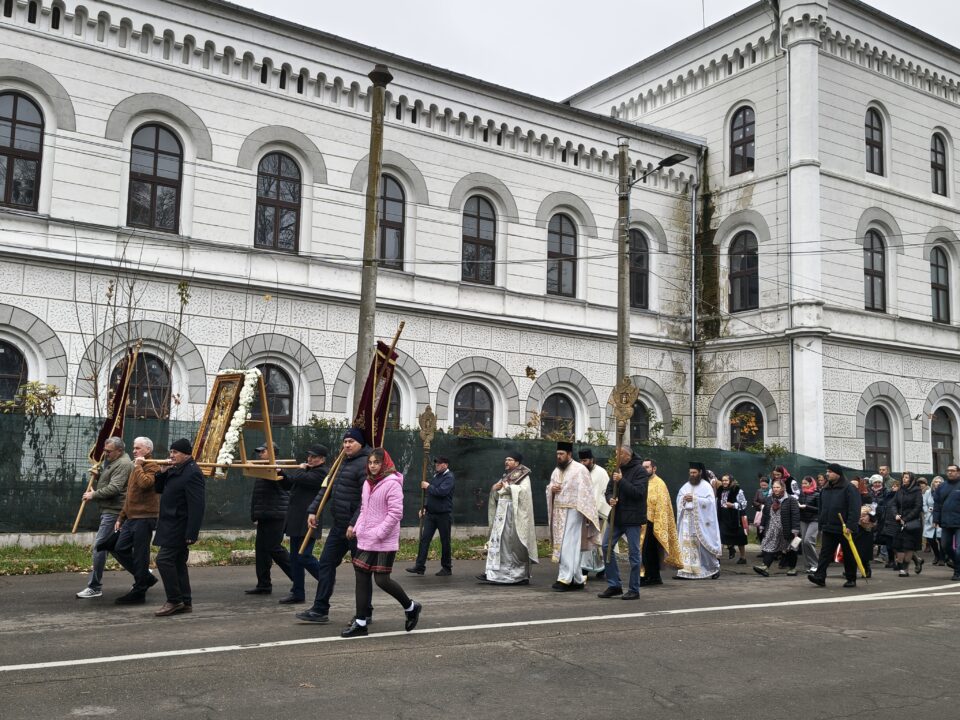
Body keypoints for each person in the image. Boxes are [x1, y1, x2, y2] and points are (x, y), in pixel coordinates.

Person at [340, 448, 421, 638]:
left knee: (382, 580)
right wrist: (358, 527)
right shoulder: (368, 483)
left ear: (384, 463)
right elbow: (364, 509)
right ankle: (360, 622)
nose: (373, 466)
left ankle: (410, 607)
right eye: (370, 463)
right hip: (366, 538)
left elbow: (395, 514)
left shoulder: (392, 483)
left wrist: (379, 533)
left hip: (384, 540)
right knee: (361, 576)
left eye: (376, 462)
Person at [296, 428, 371, 624]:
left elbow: (367, 500)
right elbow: (325, 489)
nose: (347, 445)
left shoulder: (365, 464)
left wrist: (355, 523)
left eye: (351, 441)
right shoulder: (340, 463)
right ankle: (320, 609)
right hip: (339, 527)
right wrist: (313, 510)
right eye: (345, 441)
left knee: (361, 571)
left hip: (356, 530)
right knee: (326, 564)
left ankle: (365, 612)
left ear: (360, 444)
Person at [153, 438, 205, 616]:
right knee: (177, 563)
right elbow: (158, 489)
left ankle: (174, 600)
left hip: (179, 525)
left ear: (186, 454)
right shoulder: (176, 469)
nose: (171, 455)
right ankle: (186, 602)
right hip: (169, 523)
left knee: (163, 560)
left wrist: (192, 532)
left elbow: (197, 506)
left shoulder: (192, 473)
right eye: (171, 452)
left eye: (175, 452)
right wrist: (161, 472)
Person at [76, 437, 133, 599]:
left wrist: (93, 494)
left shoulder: (123, 464)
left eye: (109, 451)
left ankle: (94, 587)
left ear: (119, 451)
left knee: (100, 547)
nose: (105, 454)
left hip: (114, 511)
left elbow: (115, 488)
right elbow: (112, 481)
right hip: (110, 509)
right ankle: (142, 573)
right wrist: (99, 473)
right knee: (114, 548)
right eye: (105, 450)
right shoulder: (115, 462)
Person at [277, 444, 328, 604]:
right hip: (295, 519)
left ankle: (326, 579)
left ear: (322, 459)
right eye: (309, 456)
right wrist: (281, 474)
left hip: (309, 520)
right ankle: (298, 592)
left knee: (304, 556)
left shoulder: (322, 473)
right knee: (294, 559)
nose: (310, 459)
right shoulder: (307, 471)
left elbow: (301, 478)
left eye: (314, 457)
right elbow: (290, 483)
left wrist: (300, 468)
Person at [546, 441, 600, 592]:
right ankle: (576, 579)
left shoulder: (580, 469)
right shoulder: (557, 470)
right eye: (557, 454)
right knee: (568, 546)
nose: (559, 457)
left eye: (561, 454)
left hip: (573, 512)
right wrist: (552, 489)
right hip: (559, 512)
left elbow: (587, 491)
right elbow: (550, 486)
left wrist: (587, 512)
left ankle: (564, 578)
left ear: (569, 454)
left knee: (567, 545)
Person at [112, 437, 160, 604]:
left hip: (145, 517)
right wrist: (121, 517)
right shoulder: (136, 466)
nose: (134, 451)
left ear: (147, 450)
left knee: (140, 555)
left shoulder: (153, 466)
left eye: (138, 448)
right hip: (132, 517)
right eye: (134, 448)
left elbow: (146, 484)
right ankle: (145, 578)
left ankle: (139, 591)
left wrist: (139, 465)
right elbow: (130, 495)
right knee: (120, 548)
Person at [479, 451, 538, 585]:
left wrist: (510, 488)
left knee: (513, 545)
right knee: (499, 544)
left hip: (514, 517)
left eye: (510, 459)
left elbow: (524, 493)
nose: (506, 462)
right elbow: (498, 495)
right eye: (506, 459)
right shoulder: (505, 477)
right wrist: (494, 488)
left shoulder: (524, 477)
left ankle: (516, 575)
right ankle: (494, 573)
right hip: (501, 516)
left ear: (517, 463)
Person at [597, 446, 648, 600]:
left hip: (632, 518)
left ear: (627, 455)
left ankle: (634, 589)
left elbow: (638, 493)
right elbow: (609, 490)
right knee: (606, 547)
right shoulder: (617, 469)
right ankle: (614, 585)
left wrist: (622, 480)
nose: (616, 457)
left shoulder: (640, 471)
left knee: (634, 553)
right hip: (617, 516)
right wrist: (609, 499)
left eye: (618, 454)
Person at [246, 443, 292, 595]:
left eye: (263, 451)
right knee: (261, 550)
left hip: (276, 515)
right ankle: (264, 584)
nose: (260, 454)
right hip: (265, 514)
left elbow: (284, 482)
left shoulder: (278, 467)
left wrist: (252, 466)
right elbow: (257, 495)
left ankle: (297, 576)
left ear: (272, 453)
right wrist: (255, 515)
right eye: (259, 452)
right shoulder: (263, 468)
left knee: (274, 548)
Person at [808, 463, 861, 588]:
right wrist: (821, 524)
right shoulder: (825, 488)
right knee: (825, 553)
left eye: (830, 472)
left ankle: (851, 578)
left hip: (844, 528)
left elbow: (855, 508)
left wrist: (850, 525)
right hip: (828, 526)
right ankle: (820, 577)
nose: (828, 474)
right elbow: (822, 508)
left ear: (837, 473)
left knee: (848, 554)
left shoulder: (849, 488)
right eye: (827, 471)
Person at [407, 455, 456, 576]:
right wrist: (425, 507)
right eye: (436, 463)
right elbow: (431, 496)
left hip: (443, 515)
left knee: (445, 541)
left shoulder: (449, 477)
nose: (437, 465)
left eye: (439, 463)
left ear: (445, 465)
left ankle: (447, 568)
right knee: (424, 540)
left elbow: (441, 492)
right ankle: (419, 566)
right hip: (431, 514)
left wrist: (428, 486)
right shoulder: (436, 476)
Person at [675, 462, 722, 580]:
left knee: (703, 547)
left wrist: (695, 499)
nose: (692, 475)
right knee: (686, 545)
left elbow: (710, 502)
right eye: (691, 472)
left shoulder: (706, 486)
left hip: (700, 521)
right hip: (687, 521)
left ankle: (713, 567)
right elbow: (679, 498)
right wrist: (683, 499)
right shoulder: (685, 486)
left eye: (694, 472)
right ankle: (686, 570)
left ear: (700, 473)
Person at [639, 458, 681, 586]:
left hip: (654, 523)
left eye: (647, 467)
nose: (644, 469)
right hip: (641, 522)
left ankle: (653, 577)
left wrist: (657, 522)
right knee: (643, 551)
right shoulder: (642, 481)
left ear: (654, 468)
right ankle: (646, 575)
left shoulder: (659, 483)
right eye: (643, 467)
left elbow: (663, 506)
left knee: (650, 551)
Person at [754, 479, 800, 576]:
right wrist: (762, 525)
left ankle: (792, 568)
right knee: (770, 546)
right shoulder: (769, 499)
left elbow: (795, 515)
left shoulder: (791, 500)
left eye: (778, 487)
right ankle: (765, 566)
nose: (775, 489)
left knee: (790, 548)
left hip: (786, 529)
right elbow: (765, 514)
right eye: (774, 487)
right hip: (772, 528)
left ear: (783, 488)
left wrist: (795, 529)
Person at [577, 449, 610, 578]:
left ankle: (600, 568)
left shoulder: (601, 473)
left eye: (585, 460)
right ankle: (586, 567)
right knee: (585, 541)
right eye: (580, 461)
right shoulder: (579, 472)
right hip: (583, 512)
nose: (582, 463)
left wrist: (595, 510)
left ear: (592, 460)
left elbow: (604, 493)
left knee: (597, 542)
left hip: (599, 513)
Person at [890, 471, 923, 577]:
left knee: (908, 547)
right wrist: (896, 514)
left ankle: (905, 568)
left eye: (907, 477)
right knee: (898, 546)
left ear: (912, 479)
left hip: (911, 523)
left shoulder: (917, 491)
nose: (904, 479)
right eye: (903, 477)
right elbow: (894, 504)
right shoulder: (900, 490)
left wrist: (906, 518)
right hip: (899, 522)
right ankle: (902, 566)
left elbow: (918, 507)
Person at [932, 464, 960, 581]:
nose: (950, 473)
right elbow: (937, 505)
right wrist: (936, 519)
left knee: (959, 549)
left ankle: (957, 571)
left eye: (952, 471)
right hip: (946, 521)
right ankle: (957, 563)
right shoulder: (942, 487)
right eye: (948, 471)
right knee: (945, 546)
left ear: (958, 472)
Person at [716, 473, 747, 564]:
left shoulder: (737, 490)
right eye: (723, 480)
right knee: (721, 536)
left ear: (730, 481)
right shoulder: (720, 490)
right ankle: (717, 558)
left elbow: (744, 504)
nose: (724, 482)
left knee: (740, 538)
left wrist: (733, 505)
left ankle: (743, 557)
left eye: (726, 480)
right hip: (723, 516)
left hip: (735, 517)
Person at [797, 475, 820, 574]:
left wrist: (806, 507)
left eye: (805, 483)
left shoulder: (817, 494)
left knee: (808, 540)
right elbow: (799, 505)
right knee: (803, 543)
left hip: (815, 520)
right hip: (803, 519)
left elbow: (819, 509)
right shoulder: (801, 494)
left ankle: (816, 564)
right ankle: (809, 565)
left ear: (811, 483)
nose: (803, 485)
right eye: (802, 483)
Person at [922, 477, 943, 565]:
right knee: (930, 538)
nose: (937, 483)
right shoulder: (928, 492)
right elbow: (924, 503)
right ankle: (937, 555)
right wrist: (927, 512)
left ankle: (942, 558)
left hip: (941, 517)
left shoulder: (944, 492)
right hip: (930, 517)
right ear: (933, 483)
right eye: (936, 482)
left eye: (939, 482)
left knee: (941, 538)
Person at [752, 475, 770, 544]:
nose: (763, 487)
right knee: (759, 531)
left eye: (765, 485)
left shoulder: (771, 491)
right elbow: (754, 501)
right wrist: (760, 505)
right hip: (760, 513)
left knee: (767, 530)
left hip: (768, 513)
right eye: (762, 485)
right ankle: (762, 547)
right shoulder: (758, 491)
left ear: (768, 484)